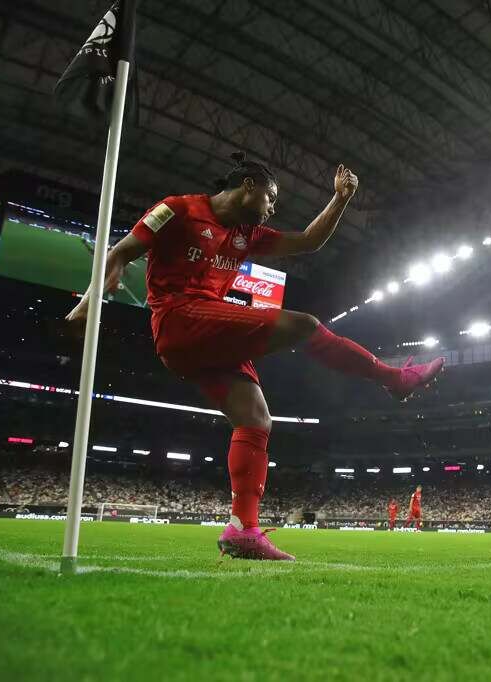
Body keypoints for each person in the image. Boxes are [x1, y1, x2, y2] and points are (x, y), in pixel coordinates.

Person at [66, 154, 445, 561]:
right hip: (178, 319)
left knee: (257, 420)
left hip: (207, 334)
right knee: (303, 325)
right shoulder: (178, 209)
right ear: (249, 185)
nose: (272, 208)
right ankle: (392, 378)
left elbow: (308, 241)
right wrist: (89, 303)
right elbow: (120, 252)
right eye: (271, 197)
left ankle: (242, 529)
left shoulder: (249, 232)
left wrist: (341, 199)